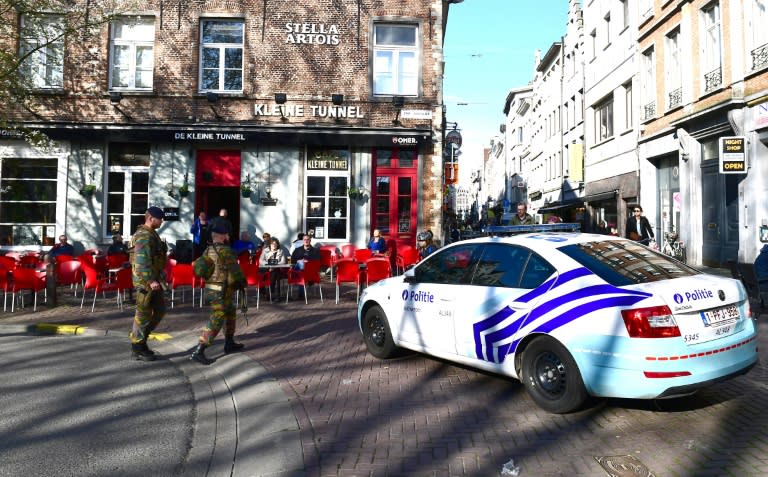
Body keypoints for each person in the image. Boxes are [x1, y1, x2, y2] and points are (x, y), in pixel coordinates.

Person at [190, 222, 247, 365]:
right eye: (227, 234)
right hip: (221, 290)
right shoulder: (226, 250)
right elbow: (235, 270)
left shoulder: (207, 250)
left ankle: (229, 343)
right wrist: (243, 283)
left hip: (213, 288)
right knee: (217, 318)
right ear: (222, 236)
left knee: (230, 312)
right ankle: (199, 351)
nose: (228, 236)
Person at [129, 206, 168, 361]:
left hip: (154, 280)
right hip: (145, 282)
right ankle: (138, 346)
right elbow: (141, 261)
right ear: (151, 218)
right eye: (160, 219)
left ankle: (141, 338)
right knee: (143, 313)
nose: (162, 221)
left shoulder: (152, 234)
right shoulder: (144, 235)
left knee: (160, 310)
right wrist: (150, 280)